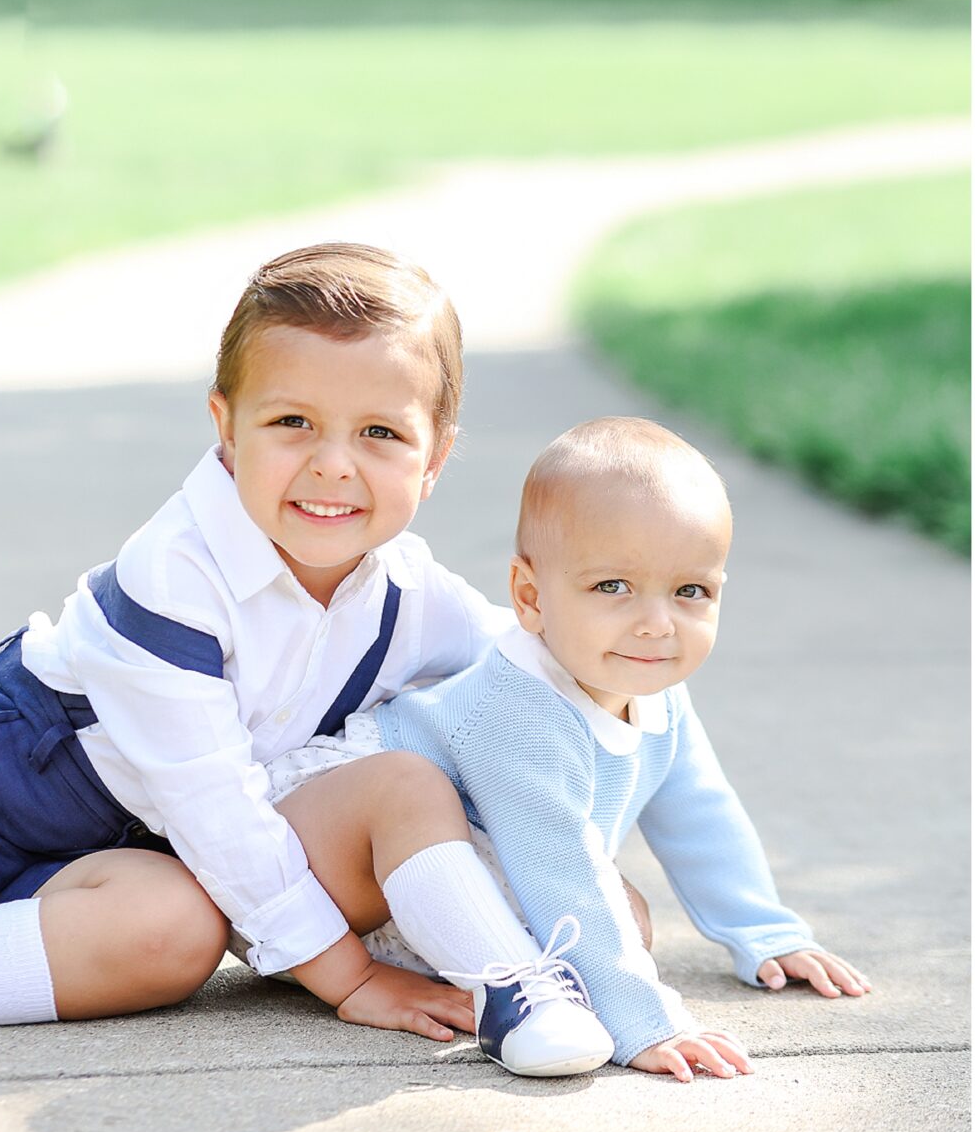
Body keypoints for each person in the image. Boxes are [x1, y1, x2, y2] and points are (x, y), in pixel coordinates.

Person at [0, 243, 615, 1077]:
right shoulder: (173, 572)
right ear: (226, 428)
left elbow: (545, 665)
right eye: (292, 423)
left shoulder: (409, 599)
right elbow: (214, 808)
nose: (332, 463)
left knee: (173, 936)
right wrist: (347, 976)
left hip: (98, 870)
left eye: (380, 433)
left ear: (433, 461)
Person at [267, 416, 871, 1082]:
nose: (655, 623)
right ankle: (478, 985)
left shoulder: (657, 694)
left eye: (688, 591)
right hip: (330, 845)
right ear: (529, 597)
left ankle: (469, 969)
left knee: (626, 922)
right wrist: (641, 1021)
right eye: (611, 587)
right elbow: (556, 865)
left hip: (460, 862)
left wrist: (764, 931)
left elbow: (699, 811)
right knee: (571, 908)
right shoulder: (521, 705)